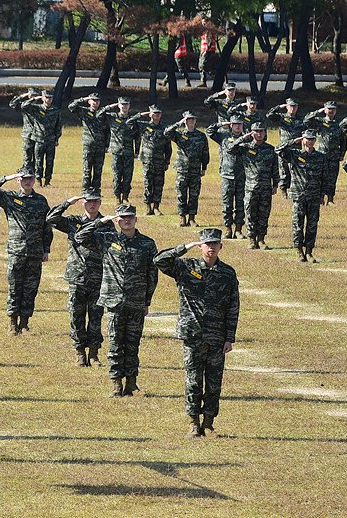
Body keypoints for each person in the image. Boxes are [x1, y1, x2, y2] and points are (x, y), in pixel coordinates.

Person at [154, 228, 239, 438]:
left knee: (213, 382)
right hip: (192, 334)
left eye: (214, 243)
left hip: (217, 337)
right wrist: (183, 248)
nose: (211, 247)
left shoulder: (227, 273)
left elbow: (233, 307)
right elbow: (159, 260)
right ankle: (193, 422)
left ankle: (208, 424)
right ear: (200, 246)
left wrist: (229, 337)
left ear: (221, 246)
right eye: (206, 244)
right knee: (193, 380)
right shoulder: (185, 266)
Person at [75, 204, 158, 397]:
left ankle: (131, 383)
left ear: (136, 219)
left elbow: (152, 274)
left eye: (130, 217)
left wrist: (147, 301)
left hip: (136, 302)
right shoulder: (107, 240)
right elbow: (80, 238)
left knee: (132, 344)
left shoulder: (147, 243)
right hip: (114, 302)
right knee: (115, 344)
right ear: (116, 220)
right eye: (122, 218)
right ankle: (116, 383)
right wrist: (99, 221)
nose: (126, 221)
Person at [46, 189, 114, 367]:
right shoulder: (74, 222)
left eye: (95, 201)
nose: (92, 204)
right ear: (83, 202)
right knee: (76, 316)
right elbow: (51, 218)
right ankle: (79, 352)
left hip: (98, 277)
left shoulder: (106, 224)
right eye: (88, 201)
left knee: (95, 317)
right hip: (77, 277)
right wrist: (68, 202)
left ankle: (93, 353)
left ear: (100, 203)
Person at [0, 167, 51, 335]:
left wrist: (46, 249)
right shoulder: (10, 198)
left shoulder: (41, 201)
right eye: (23, 178)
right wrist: (6, 177)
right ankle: (13, 323)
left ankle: (25, 323)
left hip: (35, 252)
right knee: (14, 287)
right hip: (16, 251)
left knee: (30, 289)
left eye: (30, 178)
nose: (27, 181)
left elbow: (46, 227)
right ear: (18, 180)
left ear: (34, 180)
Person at [275, 130, 326, 262]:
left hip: (314, 196)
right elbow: (278, 150)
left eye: (312, 139)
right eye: (307, 139)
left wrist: (322, 195)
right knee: (298, 224)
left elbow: (324, 177)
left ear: (315, 140)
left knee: (312, 225)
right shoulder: (294, 154)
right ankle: (299, 251)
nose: (310, 141)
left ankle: (309, 251)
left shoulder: (321, 156)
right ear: (303, 140)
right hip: (299, 195)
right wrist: (294, 141)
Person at [229, 122, 279, 249]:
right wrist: (243, 138)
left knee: (264, 214)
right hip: (251, 187)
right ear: (252, 133)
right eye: (256, 131)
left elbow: (275, 168)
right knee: (250, 213)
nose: (259, 133)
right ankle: (252, 239)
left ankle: (261, 239)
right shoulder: (245, 147)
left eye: (261, 131)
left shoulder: (270, 149)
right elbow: (230, 149)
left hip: (266, 187)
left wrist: (275, 184)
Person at [165, 112, 209, 227]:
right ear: (185, 120)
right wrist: (178, 123)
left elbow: (205, 153)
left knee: (194, 195)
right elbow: (167, 133)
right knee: (181, 194)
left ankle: (192, 218)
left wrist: (204, 167)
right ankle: (182, 217)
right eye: (188, 119)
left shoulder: (201, 136)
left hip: (195, 170)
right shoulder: (179, 134)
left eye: (193, 119)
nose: (191, 121)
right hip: (182, 170)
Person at [206, 119, 246, 239]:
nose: (237, 126)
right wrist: (222, 124)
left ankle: (238, 229)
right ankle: (228, 228)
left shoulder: (247, 138)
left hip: (242, 176)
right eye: (235, 124)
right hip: (227, 175)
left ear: (243, 125)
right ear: (231, 125)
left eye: (239, 124)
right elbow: (209, 131)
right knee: (227, 203)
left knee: (240, 204)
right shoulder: (223, 137)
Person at [128, 105, 172, 215]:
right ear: (150, 114)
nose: (156, 114)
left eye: (158, 113)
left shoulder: (164, 128)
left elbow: (168, 146)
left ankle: (156, 207)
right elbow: (129, 122)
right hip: (147, 160)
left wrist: (167, 161)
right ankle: (148, 206)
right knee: (148, 184)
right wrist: (141, 114)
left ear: (161, 114)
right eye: (154, 112)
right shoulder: (144, 126)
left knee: (158, 184)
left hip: (160, 161)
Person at [303, 101, 346, 205]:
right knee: (320, 177)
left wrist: (342, 154)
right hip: (321, 155)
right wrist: (318, 111)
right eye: (328, 108)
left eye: (333, 109)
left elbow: (343, 141)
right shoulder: (320, 122)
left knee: (332, 177)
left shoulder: (339, 124)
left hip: (334, 156)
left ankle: (330, 199)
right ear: (325, 110)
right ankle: (320, 197)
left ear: (336, 110)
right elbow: (306, 120)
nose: (331, 111)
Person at [98, 97, 139, 204]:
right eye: (122, 104)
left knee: (127, 176)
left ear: (129, 106)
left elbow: (137, 136)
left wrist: (137, 151)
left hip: (129, 152)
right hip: (116, 151)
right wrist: (109, 107)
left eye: (127, 104)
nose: (124, 106)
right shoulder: (113, 117)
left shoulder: (133, 119)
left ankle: (125, 196)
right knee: (117, 175)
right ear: (119, 105)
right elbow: (99, 115)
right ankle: (117, 196)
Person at [68, 93, 109, 190]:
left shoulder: (103, 114)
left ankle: (96, 190)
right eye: (93, 100)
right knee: (87, 168)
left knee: (98, 169)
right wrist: (84, 99)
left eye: (97, 100)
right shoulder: (84, 112)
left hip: (100, 145)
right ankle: (86, 189)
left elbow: (108, 131)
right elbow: (71, 106)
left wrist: (107, 145)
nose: (95, 102)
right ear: (89, 101)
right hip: (88, 144)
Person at [266, 98, 304, 198]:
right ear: (287, 107)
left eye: (295, 106)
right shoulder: (281, 117)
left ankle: (294, 191)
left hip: (297, 149)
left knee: (296, 170)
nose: (293, 108)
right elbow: (269, 115)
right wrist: (279, 107)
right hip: (284, 148)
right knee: (284, 170)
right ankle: (283, 191)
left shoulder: (300, 119)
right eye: (291, 106)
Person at [10, 88, 41, 169]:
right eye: (31, 95)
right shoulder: (24, 106)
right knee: (27, 157)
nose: (33, 97)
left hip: (39, 135)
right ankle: (26, 174)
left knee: (37, 158)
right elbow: (12, 104)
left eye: (35, 95)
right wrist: (22, 96)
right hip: (28, 135)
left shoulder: (41, 106)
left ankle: (35, 176)